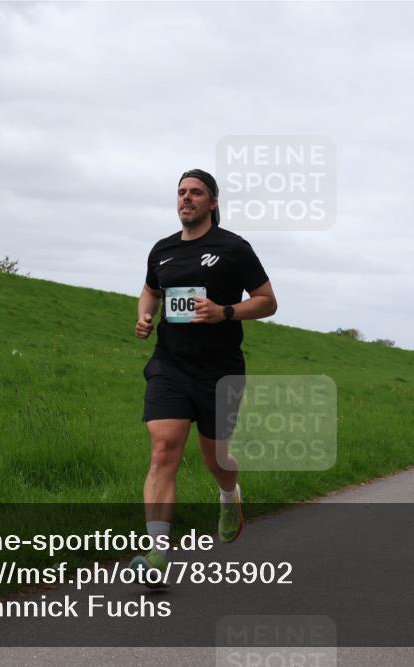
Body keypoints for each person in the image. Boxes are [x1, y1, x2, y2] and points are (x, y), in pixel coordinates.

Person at [130, 169, 277, 584]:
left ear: (212, 202)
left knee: (216, 459)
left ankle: (229, 494)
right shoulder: (162, 250)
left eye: (196, 193)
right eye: (181, 192)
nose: (186, 198)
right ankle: (157, 556)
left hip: (219, 371)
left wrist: (224, 312)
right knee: (163, 448)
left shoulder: (233, 248)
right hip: (169, 365)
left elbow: (267, 301)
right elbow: (150, 291)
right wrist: (144, 315)